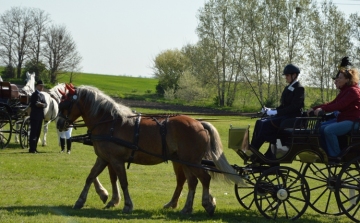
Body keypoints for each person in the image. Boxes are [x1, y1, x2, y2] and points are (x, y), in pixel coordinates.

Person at [250, 64, 305, 158]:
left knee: (266, 124)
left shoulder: (299, 88)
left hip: (292, 117)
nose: (286, 78)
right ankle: (253, 149)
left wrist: (276, 113)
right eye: (286, 76)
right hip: (284, 115)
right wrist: (271, 110)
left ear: (294, 75)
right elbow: (283, 106)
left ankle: (254, 151)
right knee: (259, 122)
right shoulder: (288, 88)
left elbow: (294, 107)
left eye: (287, 75)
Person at [307, 68, 360, 158]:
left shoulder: (353, 91)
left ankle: (336, 155)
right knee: (320, 129)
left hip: (353, 121)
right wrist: (314, 108)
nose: (337, 80)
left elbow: (339, 105)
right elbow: (332, 103)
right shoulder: (345, 91)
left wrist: (322, 110)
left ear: (347, 80)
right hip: (345, 119)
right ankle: (326, 153)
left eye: (340, 78)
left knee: (329, 130)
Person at [29, 80, 47, 153]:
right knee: (33, 132)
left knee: (38, 133)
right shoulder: (34, 94)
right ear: (37, 86)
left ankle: (35, 148)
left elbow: (45, 104)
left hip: (40, 116)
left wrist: (42, 104)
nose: (42, 87)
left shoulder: (42, 95)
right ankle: (32, 148)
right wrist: (41, 104)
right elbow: (36, 104)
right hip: (35, 116)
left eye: (42, 86)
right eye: (40, 85)